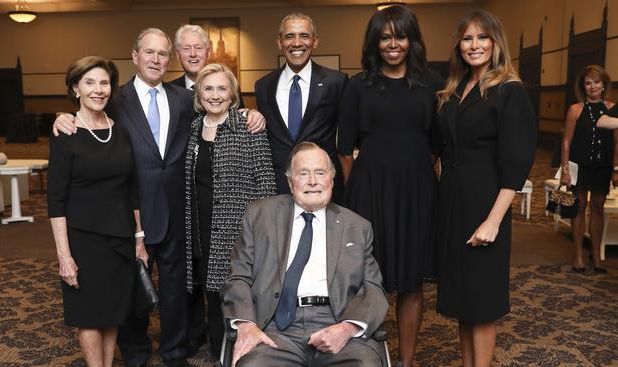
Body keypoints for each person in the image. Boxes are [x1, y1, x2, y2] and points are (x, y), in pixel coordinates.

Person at [51, 28, 266, 366]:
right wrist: (62, 117)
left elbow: (218, 113)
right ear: (135, 56)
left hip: (179, 210)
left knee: (176, 288)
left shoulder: (184, 99)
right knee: (131, 287)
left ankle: (174, 350)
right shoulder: (114, 98)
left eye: (162, 54)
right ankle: (135, 352)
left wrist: (249, 112)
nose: (155, 59)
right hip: (128, 213)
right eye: (148, 53)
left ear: (170, 59)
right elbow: (88, 118)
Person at [337, 6, 442, 366]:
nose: (392, 44)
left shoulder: (432, 83)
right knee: (368, 279)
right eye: (385, 37)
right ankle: (368, 357)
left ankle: (406, 361)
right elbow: (343, 148)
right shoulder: (357, 85)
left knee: (412, 282)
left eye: (400, 36)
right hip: (368, 191)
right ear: (375, 41)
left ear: (412, 39)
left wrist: (420, 180)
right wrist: (358, 192)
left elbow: (438, 146)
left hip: (417, 191)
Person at [221, 142, 389, 367]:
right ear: (291, 183)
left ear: (331, 179)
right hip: (274, 328)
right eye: (303, 173)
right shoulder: (260, 215)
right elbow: (238, 277)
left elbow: (373, 288)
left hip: (337, 323)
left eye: (320, 173)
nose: (313, 181)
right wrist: (246, 325)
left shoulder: (356, 226)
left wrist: (347, 328)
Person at [435, 10, 536, 367]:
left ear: (496, 43)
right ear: (458, 45)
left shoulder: (509, 91)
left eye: (482, 38)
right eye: (467, 38)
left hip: (485, 203)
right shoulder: (454, 90)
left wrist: (493, 221)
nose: (474, 45)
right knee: (463, 303)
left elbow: (516, 166)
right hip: (452, 204)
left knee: (482, 304)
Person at [48, 56, 148, 367]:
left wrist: (139, 239)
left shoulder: (119, 131)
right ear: (75, 88)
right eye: (89, 82)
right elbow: (56, 199)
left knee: (112, 312)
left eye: (104, 83)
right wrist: (64, 256)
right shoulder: (65, 133)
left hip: (119, 238)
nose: (98, 89)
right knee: (89, 315)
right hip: (83, 239)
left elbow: (132, 192)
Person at [183, 63, 276, 360]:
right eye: (208, 88)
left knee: (236, 295)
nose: (214, 95)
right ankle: (219, 354)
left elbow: (266, 184)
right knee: (210, 293)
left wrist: (265, 234)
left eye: (222, 88)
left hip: (238, 231)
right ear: (199, 93)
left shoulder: (248, 126)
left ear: (233, 93)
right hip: (200, 228)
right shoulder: (193, 128)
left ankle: (244, 355)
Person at [255, 13, 348, 203]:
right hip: (277, 186)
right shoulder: (263, 86)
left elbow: (347, 136)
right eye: (289, 36)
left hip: (321, 185)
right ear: (279, 42)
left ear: (315, 41)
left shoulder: (336, 82)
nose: (297, 43)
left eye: (304, 36)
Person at [561, 65, 617, 273]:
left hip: (602, 167)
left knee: (598, 207)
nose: (592, 86)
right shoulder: (575, 109)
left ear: (604, 85)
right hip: (579, 166)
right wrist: (565, 170)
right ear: (583, 86)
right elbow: (566, 142)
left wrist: (616, 169)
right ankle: (577, 254)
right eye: (588, 82)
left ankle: (596, 254)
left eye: (596, 82)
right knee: (579, 206)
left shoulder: (613, 108)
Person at [169, 24, 245, 108]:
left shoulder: (230, 86)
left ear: (208, 53)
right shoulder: (169, 91)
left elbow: (241, 116)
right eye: (186, 48)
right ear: (177, 55)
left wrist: (252, 113)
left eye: (198, 48)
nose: (193, 54)